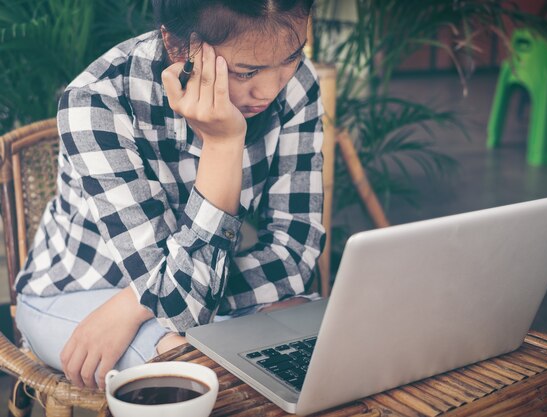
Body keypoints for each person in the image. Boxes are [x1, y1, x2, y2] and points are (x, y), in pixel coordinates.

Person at [14, 0, 324, 391]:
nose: (272, 87)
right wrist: (223, 145)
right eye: (247, 71)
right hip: (78, 295)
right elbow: (181, 311)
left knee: (328, 338)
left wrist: (135, 305)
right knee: (188, 369)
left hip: (166, 300)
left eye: (292, 56)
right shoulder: (96, 103)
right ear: (179, 49)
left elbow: (295, 253)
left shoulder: (297, 83)